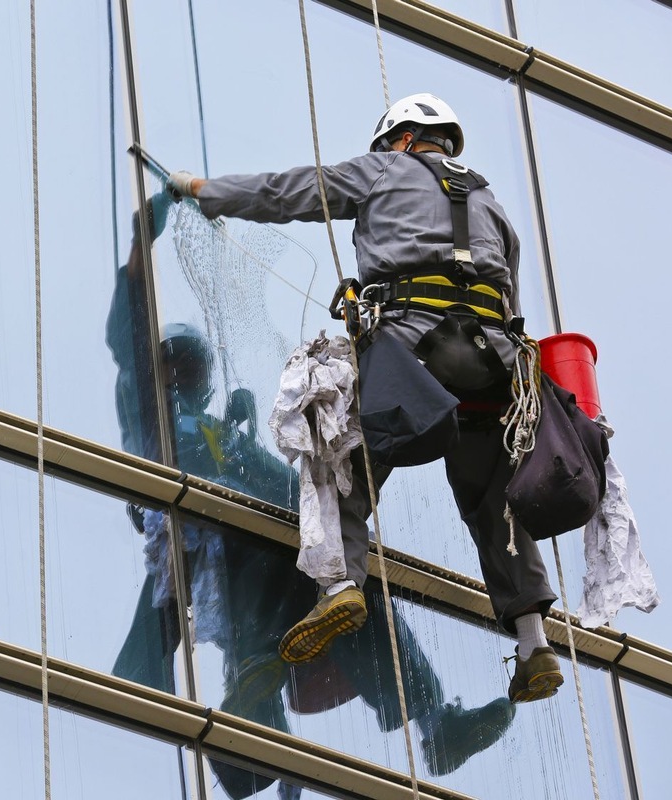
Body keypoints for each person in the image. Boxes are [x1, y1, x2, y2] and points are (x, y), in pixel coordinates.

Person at [106, 190, 515, 794]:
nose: (188, 374)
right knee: (250, 551)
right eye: (178, 364)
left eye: (195, 366)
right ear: (163, 370)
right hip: (211, 532)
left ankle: (433, 723)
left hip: (263, 535)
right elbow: (130, 341)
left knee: (352, 587)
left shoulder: (224, 434)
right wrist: (143, 245)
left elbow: (286, 489)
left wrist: (339, 511)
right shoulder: (155, 413)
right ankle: (258, 707)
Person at [167, 93, 564, 705]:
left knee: (339, 458)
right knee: (494, 502)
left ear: (402, 138)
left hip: (411, 349)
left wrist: (202, 189)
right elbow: (509, 293)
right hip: (494, 363)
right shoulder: (494, 206)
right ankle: (535, 642)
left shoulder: (383, 169)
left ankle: (340, 586)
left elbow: (288, 191)